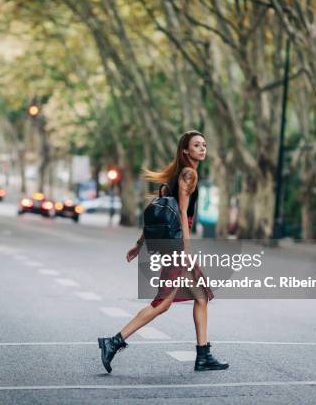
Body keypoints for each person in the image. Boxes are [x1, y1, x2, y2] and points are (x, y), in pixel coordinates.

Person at [97, 130, 228, 373]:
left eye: (204, 145)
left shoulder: (178, 175)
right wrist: (186, 250)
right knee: (162, 303)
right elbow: (179, 213)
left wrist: (139, 244)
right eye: (197, 145)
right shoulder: (189, 174)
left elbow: (160, 214)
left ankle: (203, 354)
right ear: (185, 150)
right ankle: (113, 342)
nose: (202, 148)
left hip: (175, 246)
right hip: (178, 247)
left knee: (200, 296)